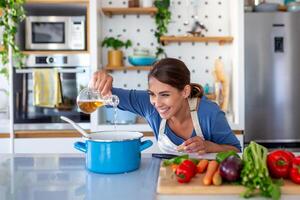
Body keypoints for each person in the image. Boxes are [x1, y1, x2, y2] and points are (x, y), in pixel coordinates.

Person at [90, 58, 241, 154]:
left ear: (185, 91)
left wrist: (208, 147)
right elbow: (106, 96)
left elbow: (235, 150)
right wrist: (99, 79)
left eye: (165, 95)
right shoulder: (149, 106)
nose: (157, 103)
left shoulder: (210, 114)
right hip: (167, 181)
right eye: (152, 94)